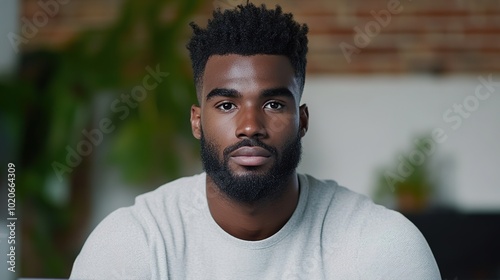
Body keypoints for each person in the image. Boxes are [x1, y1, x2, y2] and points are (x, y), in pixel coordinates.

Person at [70, 3, 440, 279]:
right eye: (227, 104)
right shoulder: (133, 245)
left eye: (274, 103)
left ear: (303, 120)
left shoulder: (380, 246)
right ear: (197, 121)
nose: (250, 126)